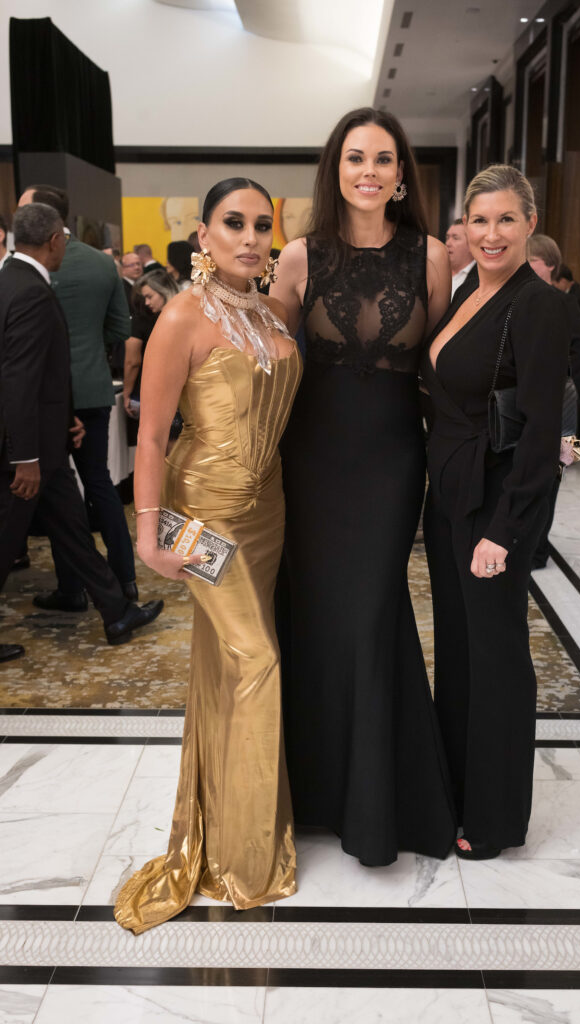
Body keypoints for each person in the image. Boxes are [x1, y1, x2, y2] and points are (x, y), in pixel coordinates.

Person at [114, 177, 301, 934]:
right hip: (202, 513)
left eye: (261, 225)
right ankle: (245, 859)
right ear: (204, 235)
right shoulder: (184, 314)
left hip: (268, 510)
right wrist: (147, 531)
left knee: (229, 664)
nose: (250, 238)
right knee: (257, 658)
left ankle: (229, 824)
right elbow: (153, 434)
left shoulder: (272, 311)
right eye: (233, 223)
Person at [270, 107, 455, 867]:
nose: (369, 171)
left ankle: (379, 809)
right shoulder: (298, 257)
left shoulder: (431, 256)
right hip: (311, 462)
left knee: (373, 614)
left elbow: (442, 373)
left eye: (383, 158)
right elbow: (268, 369)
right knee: (316, 614)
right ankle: (315, 795)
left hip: (391, 464)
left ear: (401, 174)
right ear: (336, 170)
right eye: (356, 158)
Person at [422, 165, 570, 860]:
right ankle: (458, 788)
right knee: (459, 651)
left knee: (497, 657)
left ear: (530, 224)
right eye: (479, 220)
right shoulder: (466, 293)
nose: (491, 233)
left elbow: (541, 432)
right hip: (451, 496)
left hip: (494, 505)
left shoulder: (536, 305)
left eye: (506, 219)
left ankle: (495, 817)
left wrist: (506, 531)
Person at [0, 204, 163, 662]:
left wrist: (64, 418)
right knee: (6, 540)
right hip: (27, 452)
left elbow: (38, 374)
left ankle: (117, 612)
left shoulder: (9, 280)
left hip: (44, 440)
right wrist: (24, 456)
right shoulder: (31, 291)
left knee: (73, 530)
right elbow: (20, 379)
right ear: (55, 240)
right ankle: (117, 608)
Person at [17, 185, 140, 607]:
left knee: (59, 495)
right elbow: (120, 329)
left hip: (43, 394)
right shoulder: (101, 263)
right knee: (98, 484)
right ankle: (125, 580)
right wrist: (88, 349)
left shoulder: (23, 265)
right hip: (91, 386)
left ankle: (71, 589)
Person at [526, 234, 580, 568]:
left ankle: (538, 550)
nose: (526, 267)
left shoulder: (561, 302)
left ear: (550, 265)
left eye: (532, 261)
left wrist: (563, 390)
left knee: (551, 479)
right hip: (543, 414)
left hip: (560, 418)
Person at [123, 271, 180, 432]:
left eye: (150, 296)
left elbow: (132, 361)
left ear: (164, 291)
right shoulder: (179, 316)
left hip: (161, 396)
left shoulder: (167, 320)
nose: (147, 302)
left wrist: (127, 393)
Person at [445, 218, 475, 297]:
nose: (448, 243)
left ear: (471, 245)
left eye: (455, 238)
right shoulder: (438, 270)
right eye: (447, 238)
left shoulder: (479, 277)